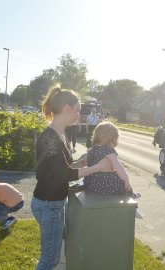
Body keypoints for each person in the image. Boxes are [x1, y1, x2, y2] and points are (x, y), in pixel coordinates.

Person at [31, 85, 113, 270]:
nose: (78, 115)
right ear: (67, 109)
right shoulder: (50, 138)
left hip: (52, 203)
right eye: (77, 110)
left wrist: (80, 163)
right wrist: (97, 167)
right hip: (48, 204)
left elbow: (61, 168)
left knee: (53, 253)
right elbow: (64, 174)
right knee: (48, 260)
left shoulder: (61, 135)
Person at [83, 121, 143, 218]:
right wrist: (126, 181)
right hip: (105, 185)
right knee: (122, 181)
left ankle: (131, 196)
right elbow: (119, 168)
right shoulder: (109, 152)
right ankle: (132, 205)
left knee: (118, 178)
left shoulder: (91, 151)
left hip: (91, 184)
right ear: (111, 139)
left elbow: (86, 163)